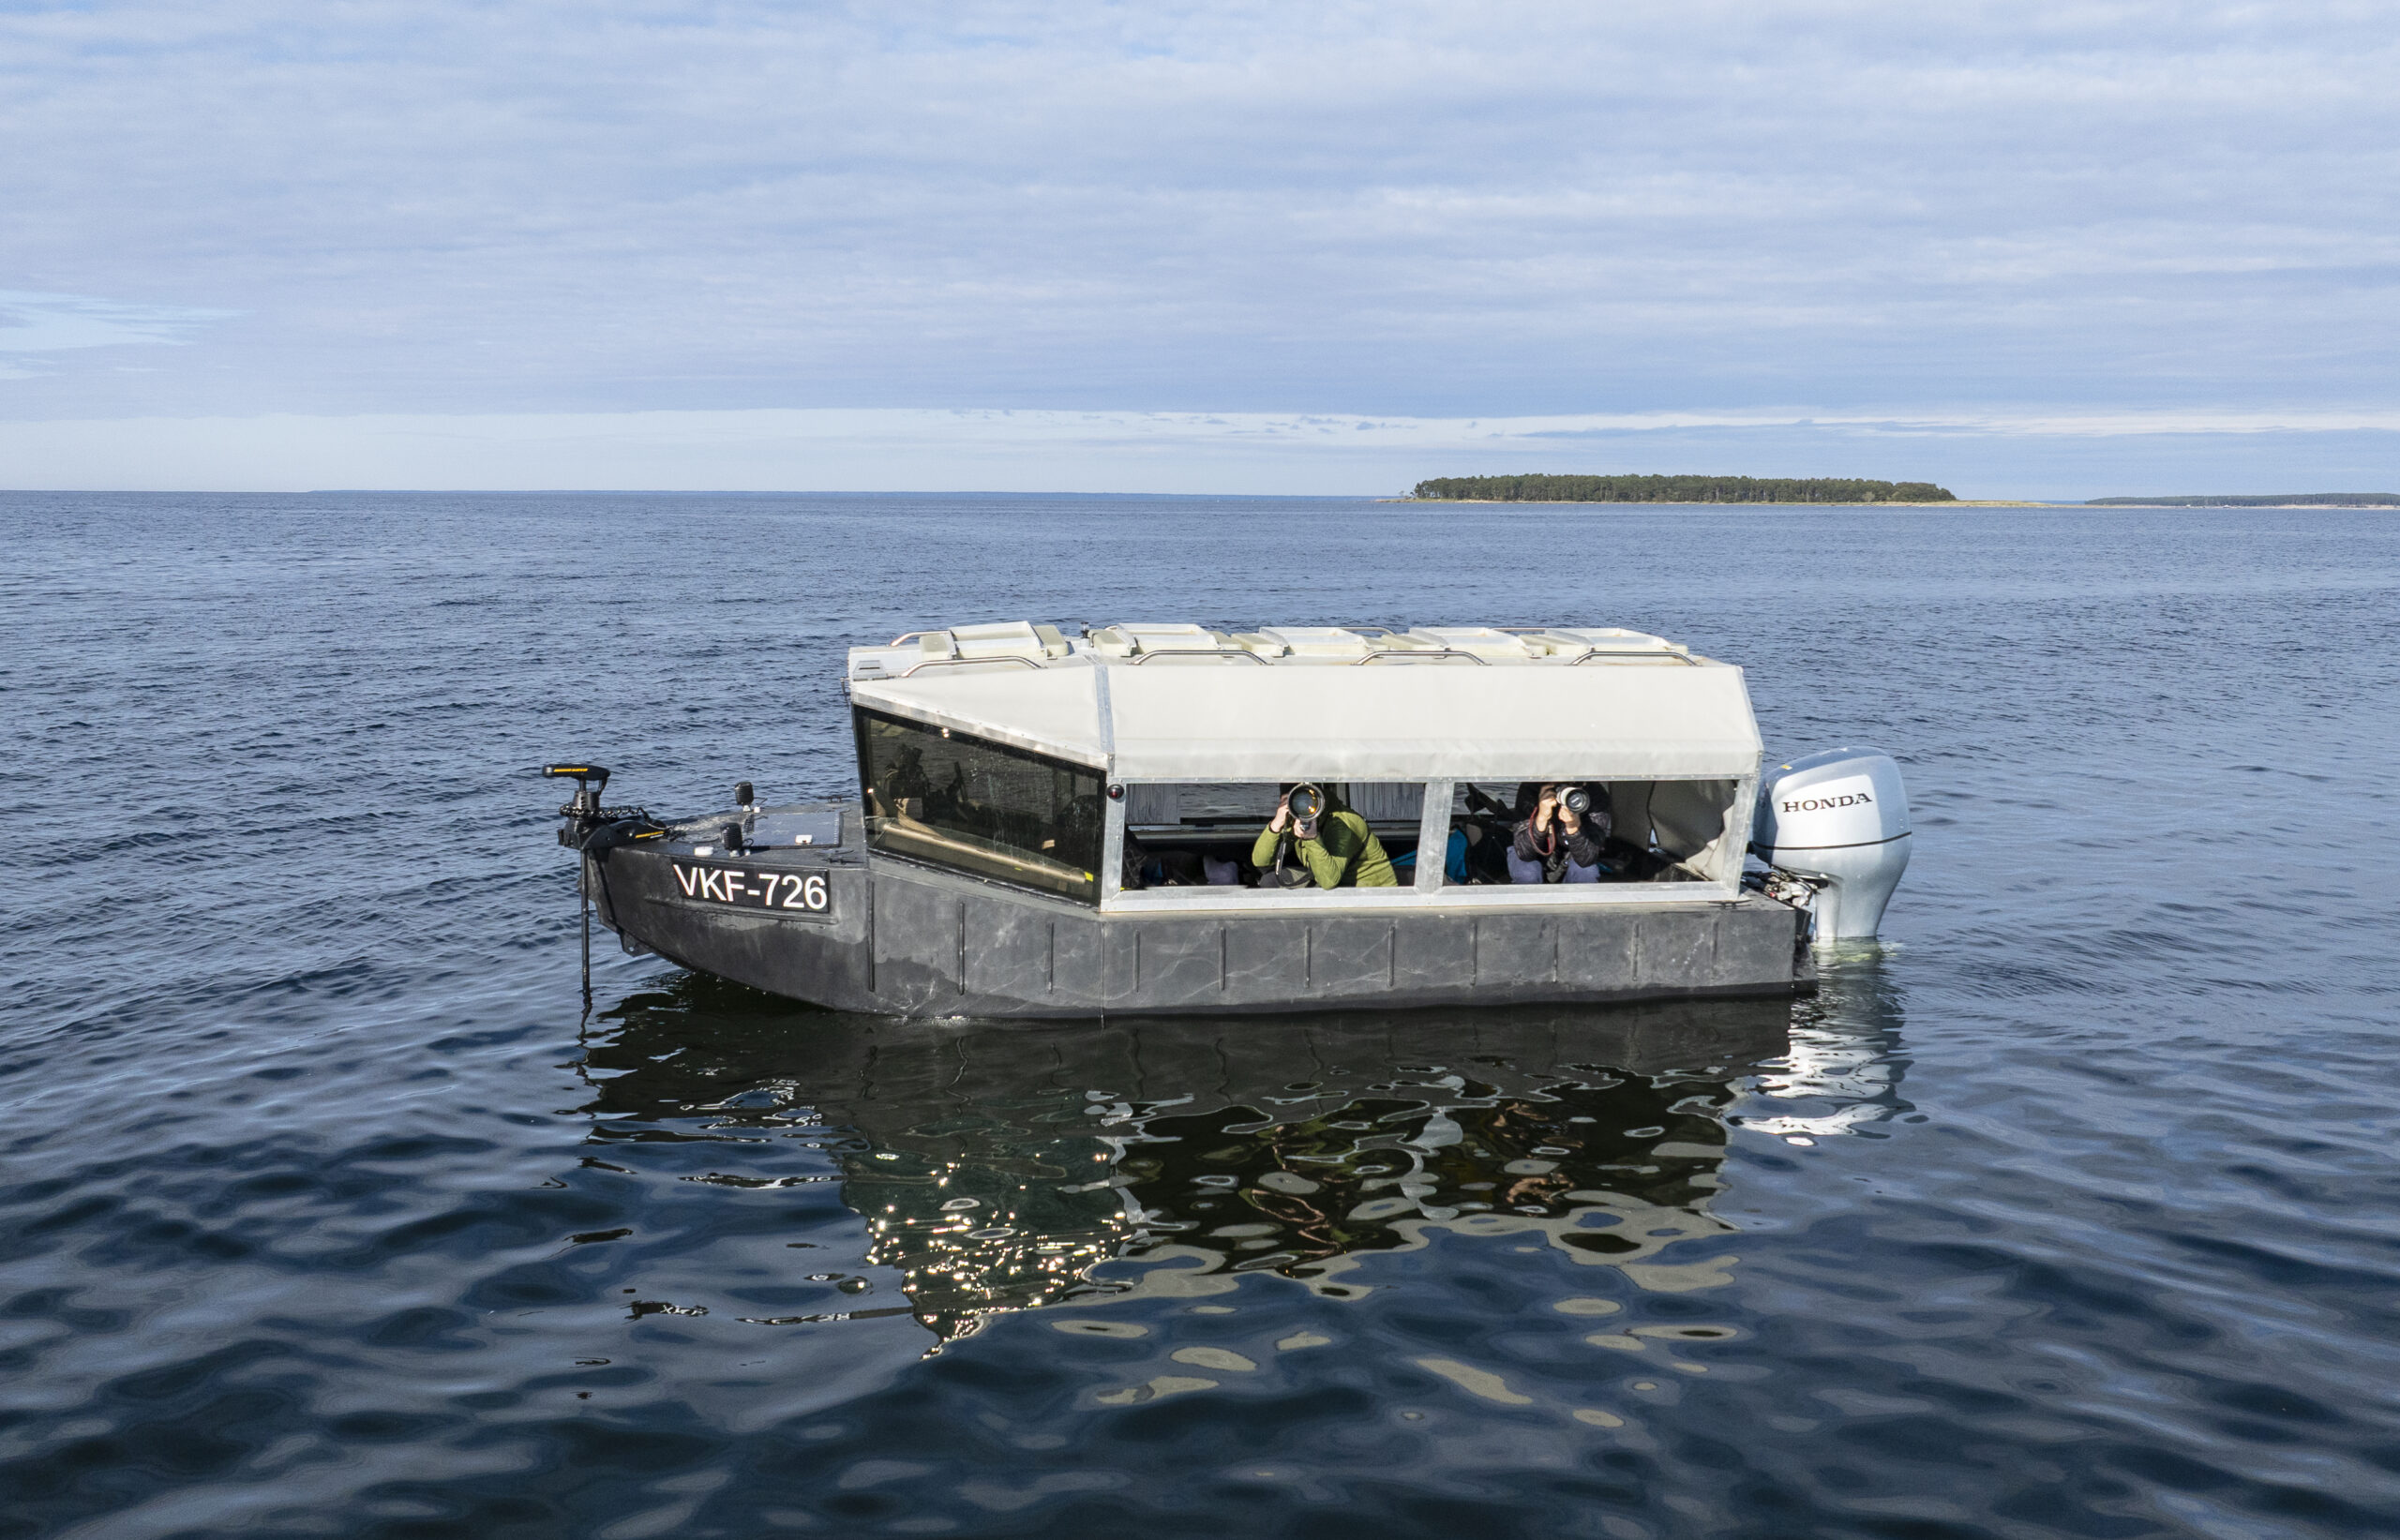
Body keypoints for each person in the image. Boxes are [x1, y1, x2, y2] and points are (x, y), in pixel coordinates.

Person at [1252, 783, 1398, 889]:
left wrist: (1311, 838)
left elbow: (1329, 881)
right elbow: (1261, 862)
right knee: (1270, 879)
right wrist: (1276, 825)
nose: (1303, 807)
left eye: (1307, 802)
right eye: (1295, 802)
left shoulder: (1344, 823)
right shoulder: (1293, 817)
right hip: (1330, 879)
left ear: (1319, 800)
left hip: (1370, 890)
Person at [1506, 782, 1612, 884]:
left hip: (1572, 855)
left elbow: (1587, 859)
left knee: (1586, 872)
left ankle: (1580, 901)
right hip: (1533, 852)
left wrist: (1573, 826)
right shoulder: (1531, 788)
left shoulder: (1594, 793)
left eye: (1574, 784)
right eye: (1556, 784)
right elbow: (1524, 853)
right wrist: (1541, 818)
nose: (1565, 787)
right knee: (1527, 872)